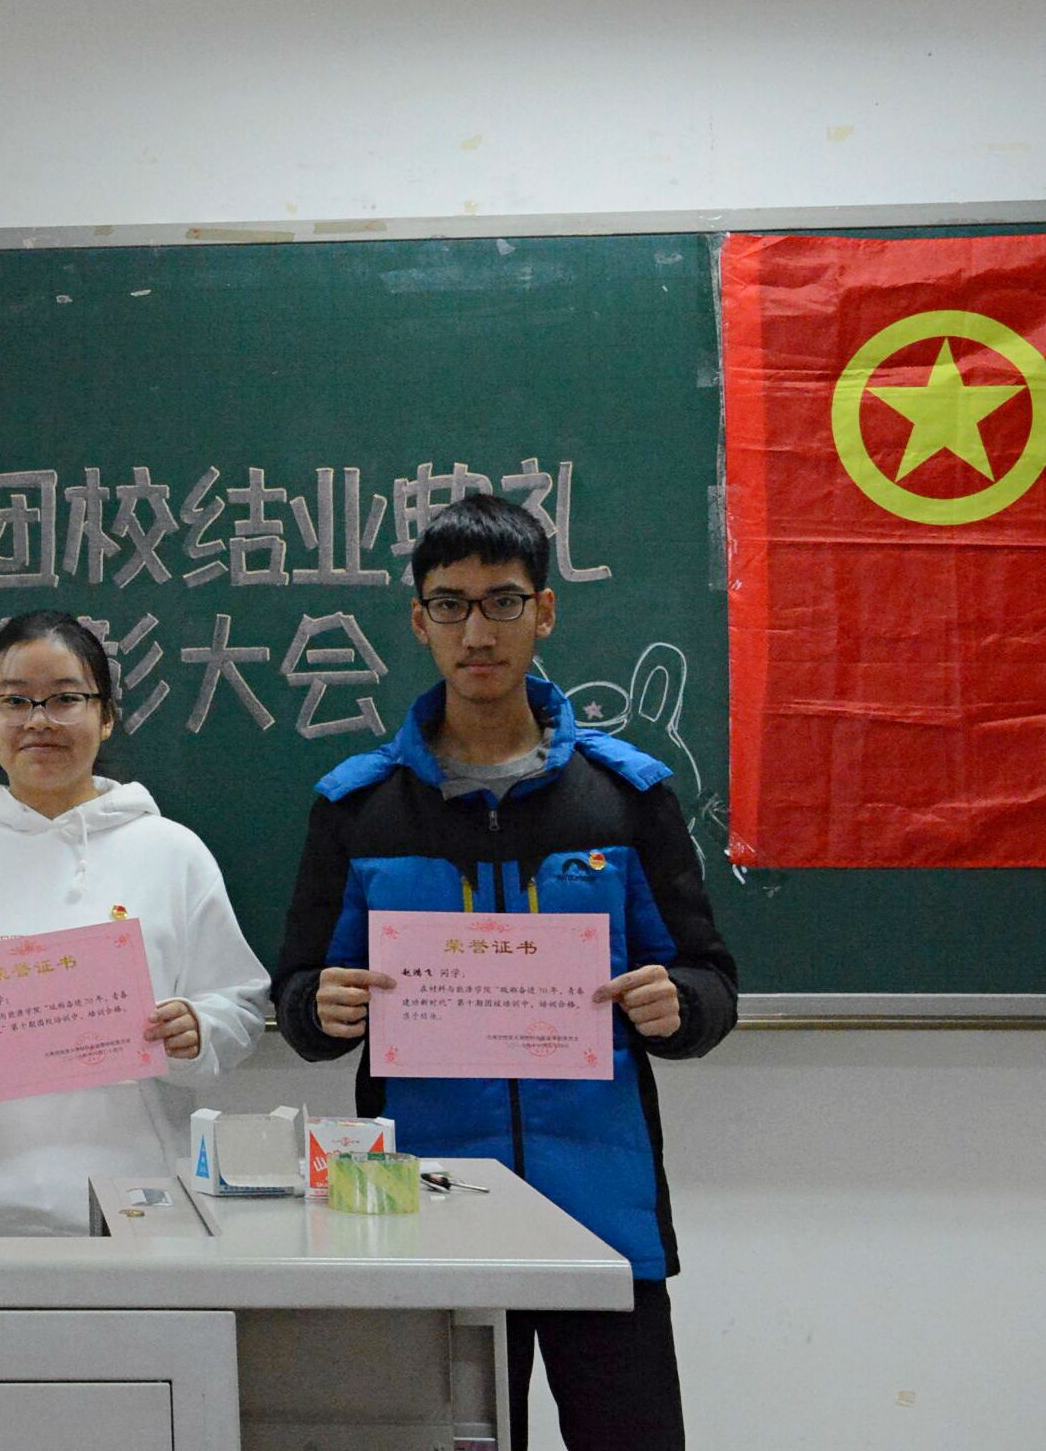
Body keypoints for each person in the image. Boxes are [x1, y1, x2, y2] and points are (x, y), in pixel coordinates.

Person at [271, 491, 737, 1451]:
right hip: (419, 1211)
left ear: (545, 611)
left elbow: (710, 979)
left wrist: (681, 1004)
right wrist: (321, 1006)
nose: (476, 632)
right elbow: (298, 998)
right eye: (450, 605)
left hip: (602, 1212)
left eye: (503, 602)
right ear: (420, 621)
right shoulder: (359, 809)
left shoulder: (625, 797)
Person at [0, 609, 271, 1236]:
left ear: (105, 716)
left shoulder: (172, 852)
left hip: (137, 1210)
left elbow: (238, 1001)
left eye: (65, 698)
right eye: (14, 701)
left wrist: (199, 1028)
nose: (39, 721)